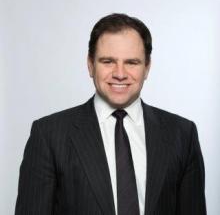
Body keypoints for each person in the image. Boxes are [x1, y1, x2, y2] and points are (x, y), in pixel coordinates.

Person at [15, 13, 206, 215]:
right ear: (90, 65)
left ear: (147, 67)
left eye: (132, 62)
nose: (120, 73)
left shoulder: (182, 135)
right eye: (108, 61)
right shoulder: (49, 135)